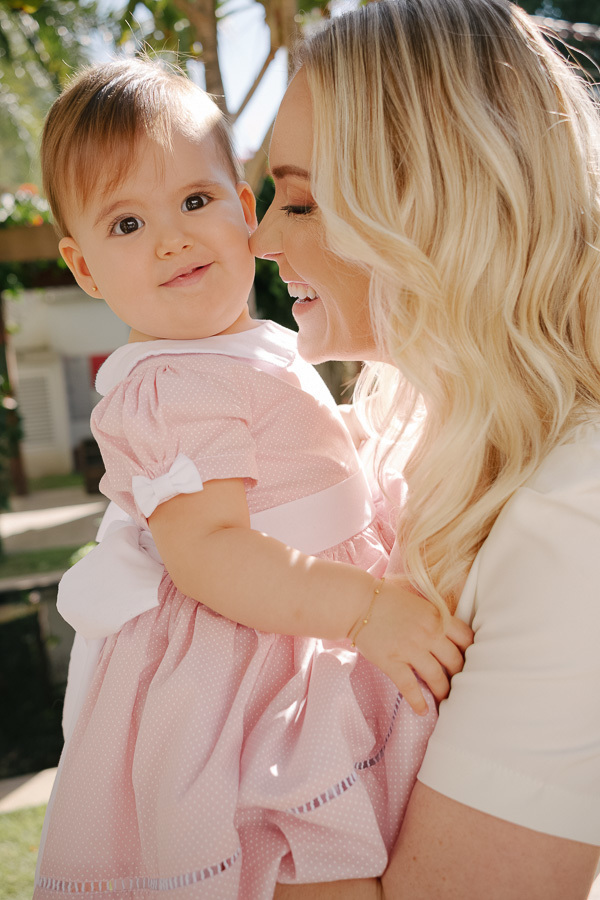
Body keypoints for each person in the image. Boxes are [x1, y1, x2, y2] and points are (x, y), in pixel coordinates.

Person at [33, 58, 472, 898]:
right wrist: (366, 606)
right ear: (85, 270)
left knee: (360, 827)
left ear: (243, 214)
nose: (171, 238)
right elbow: (210, 552)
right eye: (125, 224)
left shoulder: (259, 343)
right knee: (295, 838)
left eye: (195, 203)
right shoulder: (169, 385)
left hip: (310, 608)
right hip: (254, 653)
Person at [250, 1, 600, 897]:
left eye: (298, 200)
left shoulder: (576, 515)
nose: (259, 239)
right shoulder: (405, 442)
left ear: (428, 207)